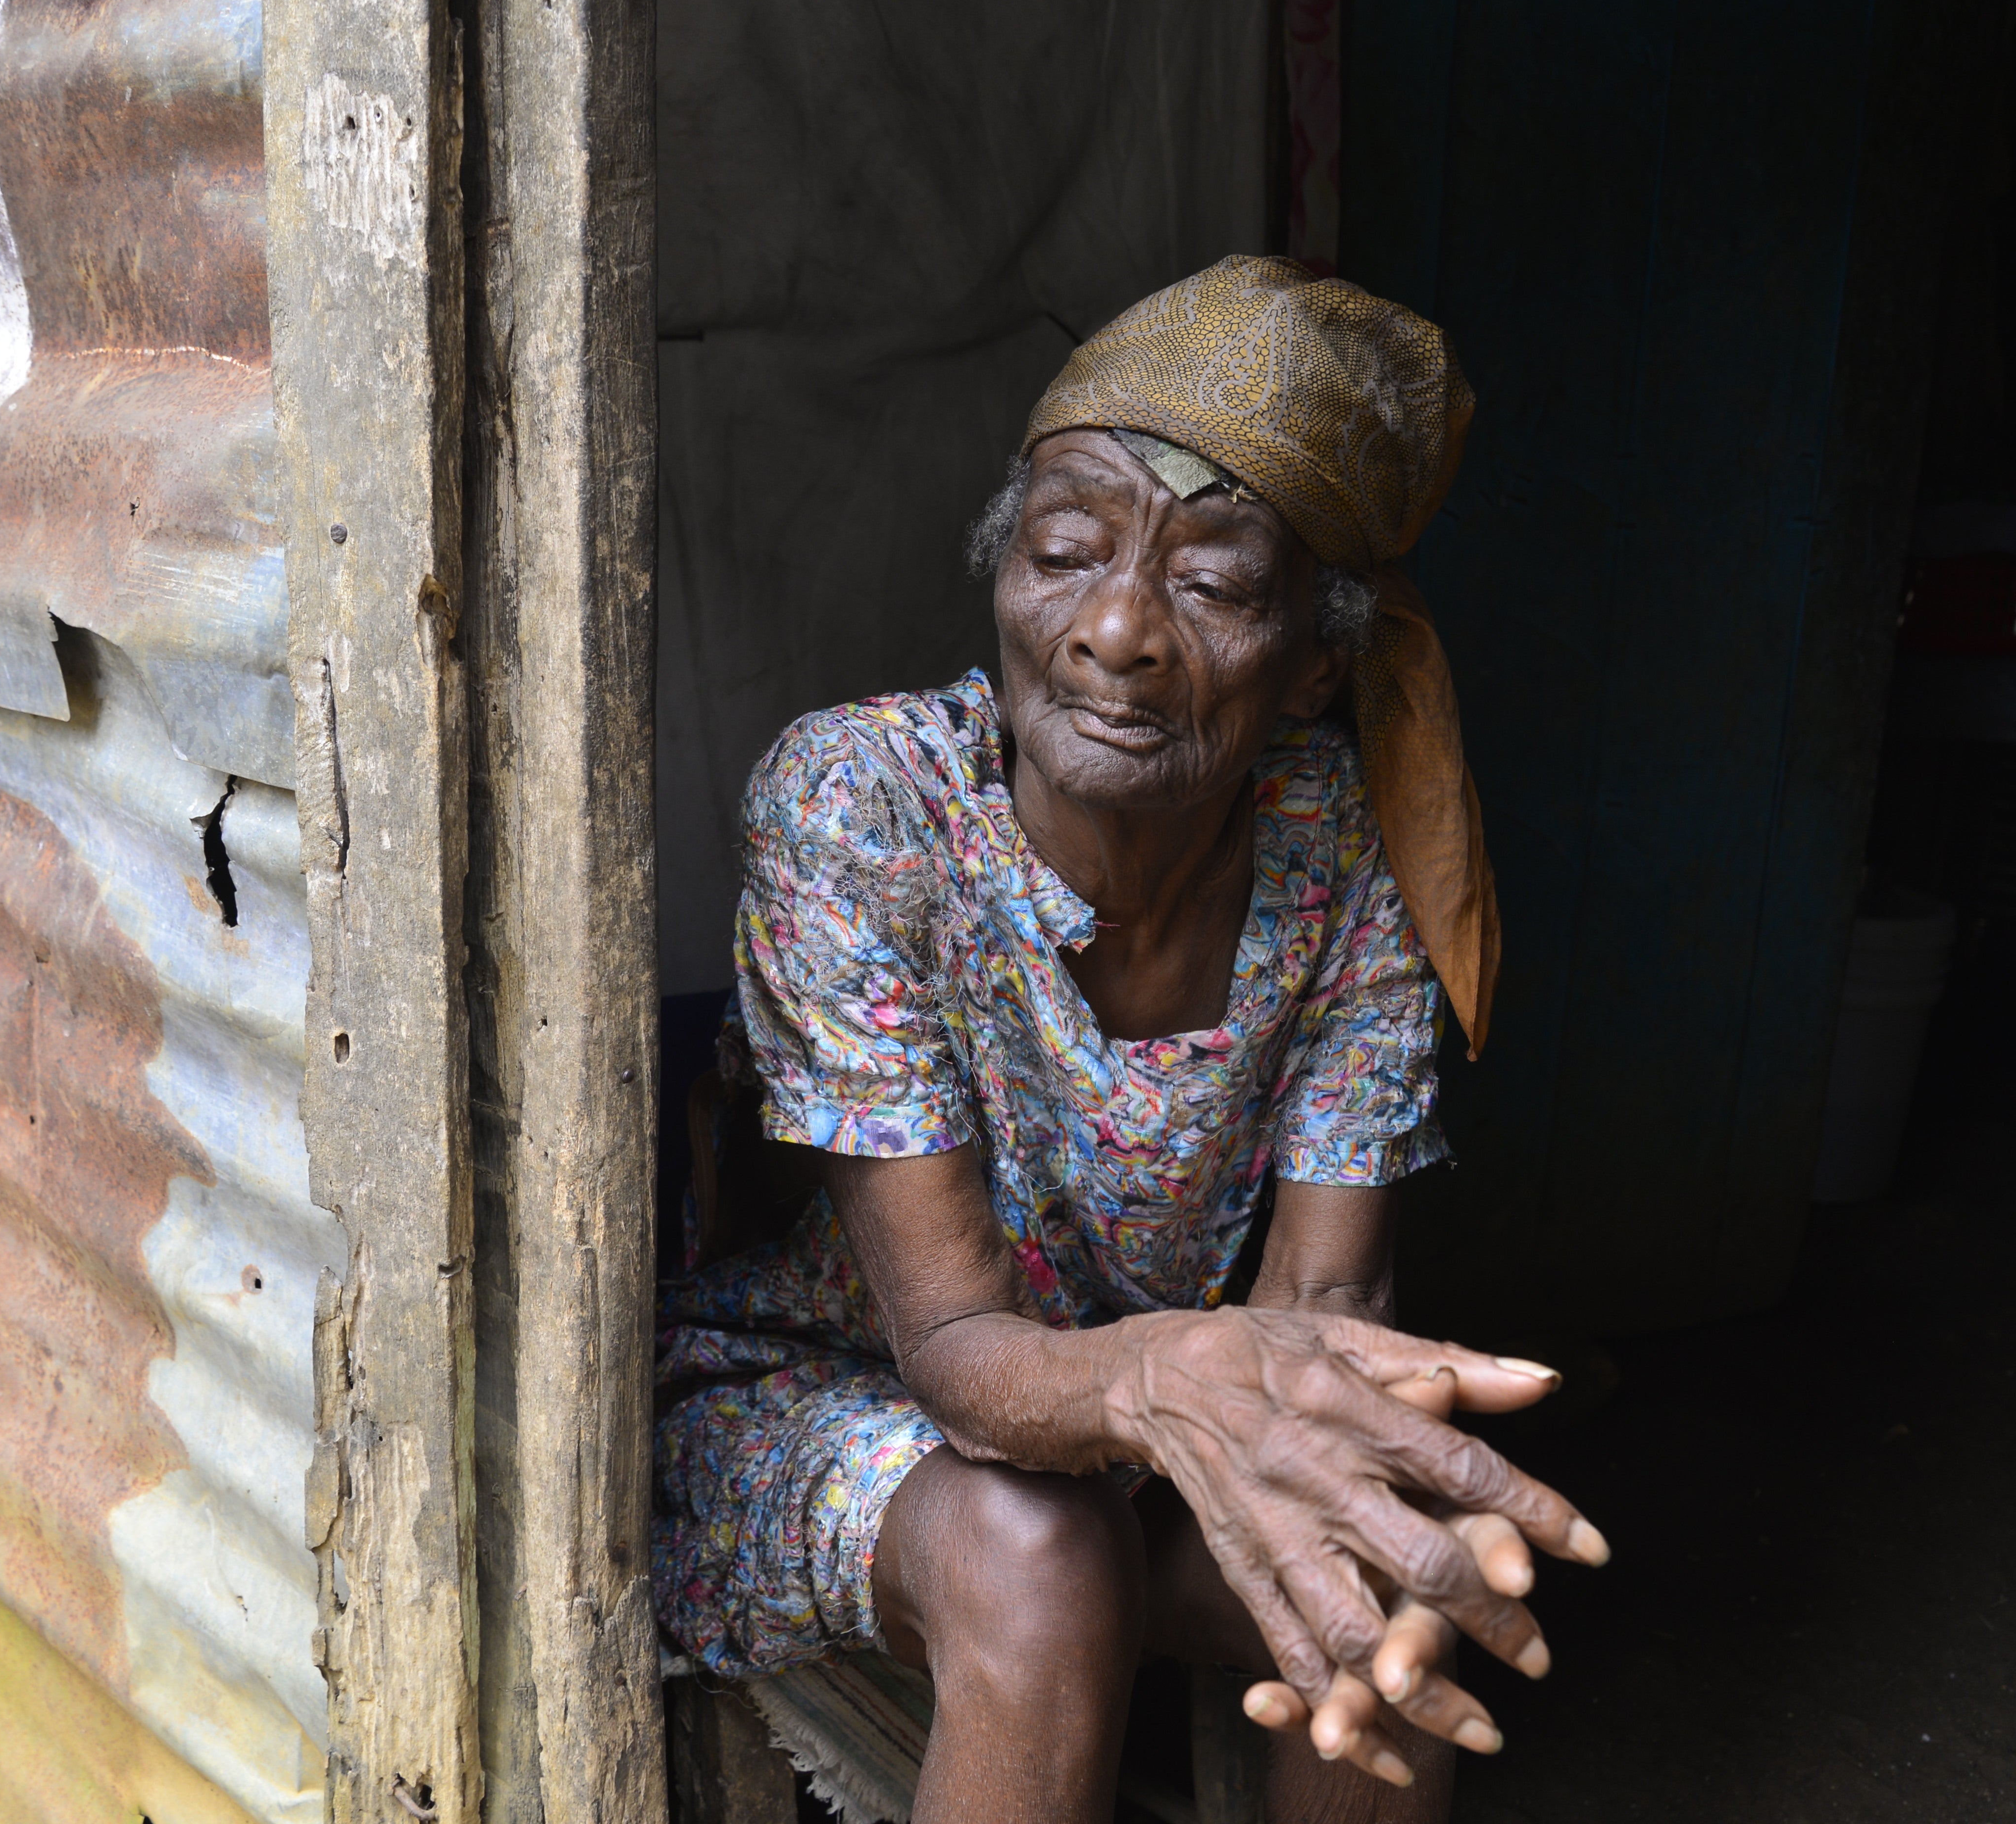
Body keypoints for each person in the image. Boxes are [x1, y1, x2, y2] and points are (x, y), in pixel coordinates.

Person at [653, 256, 1608, 1823]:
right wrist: (1181, 1377)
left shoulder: (1346, 848)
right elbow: (958, 1361)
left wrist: (1314, 1461)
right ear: (1005, 571)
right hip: (819, 1399)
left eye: (1216, 587)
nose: (1114, 629)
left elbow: (1327, 1310)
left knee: (1376, 1569)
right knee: (1042, 1557)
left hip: (1148, 1431)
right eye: (1065, 549)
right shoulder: (862, 806)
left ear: (1313, 664)